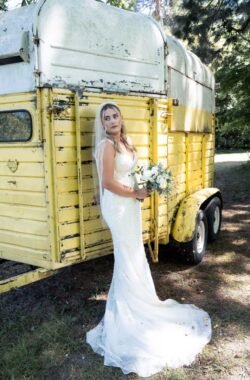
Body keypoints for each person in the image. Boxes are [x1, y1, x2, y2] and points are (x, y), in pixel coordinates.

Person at [86, 102, 212, 378]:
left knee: (134, 254)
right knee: (126, 254)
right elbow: (107, 182)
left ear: (121, 117)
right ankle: (128, 311)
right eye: (106, 118)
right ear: (103, 123)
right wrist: (135, 193)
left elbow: (131, 173)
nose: (112, 120)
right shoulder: (106, 146)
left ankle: (141, 300)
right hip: (117, 206)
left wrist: (145, 184)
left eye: (115, 115)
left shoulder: (126, 141)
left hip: (129, 204)